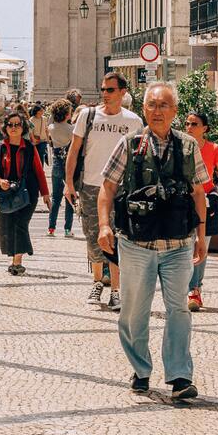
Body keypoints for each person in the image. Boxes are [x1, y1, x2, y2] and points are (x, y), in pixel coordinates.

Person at [97, 82, 209, 400]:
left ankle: (179, 375)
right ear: (144, 109)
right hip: (136, 243)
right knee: (133, 311)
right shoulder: (129, 145)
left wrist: (201, 236)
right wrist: (104, 226)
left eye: (164, 105)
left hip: (177, 244)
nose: (157, 111)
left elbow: (199, 192)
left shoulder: (188, 146)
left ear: (174, 111)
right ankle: (141, 369)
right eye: (152, 105)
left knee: (179, 309)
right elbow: (107, 188)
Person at [65, 73, 142, 309]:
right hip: (90, 186)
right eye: (103, 90)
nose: (105, 94)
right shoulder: (87, 117)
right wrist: (69, 182)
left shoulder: (134, 122)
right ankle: (97, 281)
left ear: (123, 92)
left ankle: (116, 290)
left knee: (118, 238)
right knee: (93, 238)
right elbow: (74, 150)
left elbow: (139, 158)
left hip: (121, 189)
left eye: (110, 90)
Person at [0, 109, 50, 275]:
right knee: (8, 226)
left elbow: (39, 171)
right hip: (6, 193)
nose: (13, 128)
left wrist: (45, 194)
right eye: (10, 125)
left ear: (23, 128)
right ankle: (15, 258)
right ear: (5, 128)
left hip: (28, 192)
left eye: (17, 125)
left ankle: (17, 262)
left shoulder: (29, 147)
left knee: (21, 224)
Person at [184, 110, 218, 312]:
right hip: (184, 201)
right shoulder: (180, 146)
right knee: (187, 246)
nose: (189, 127)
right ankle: (189, 288)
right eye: (187, 123)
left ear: (204, 128)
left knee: (202, 245)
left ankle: (195, 289)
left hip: (207, 202)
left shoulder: (213, 148)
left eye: (194, 124)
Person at [47, 98, 74, 237]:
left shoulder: (51, 128)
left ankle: (51, 227)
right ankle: (67, 229)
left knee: (56, 198)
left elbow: (50, 121)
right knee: (70, 196)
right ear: (66, 113)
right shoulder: (71, 129)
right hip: (69, 165)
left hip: (57, 164)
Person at [29, 102, 49, 167]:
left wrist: (48, 139)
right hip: (34, 140)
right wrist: (33, 139)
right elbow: (30, 131)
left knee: (41, 156)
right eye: (41, 110)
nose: (42, 111)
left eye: (42, 110)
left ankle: (41, 170)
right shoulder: (32, 119)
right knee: (34, 156)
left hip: (43, 140)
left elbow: (46, 129)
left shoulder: (44, 118)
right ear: (36, 111)